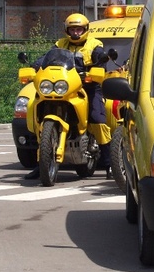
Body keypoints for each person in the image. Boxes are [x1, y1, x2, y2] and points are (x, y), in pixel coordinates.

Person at [24, 13, 112, 180]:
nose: (76, 33)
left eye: (79, 29)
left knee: (96, 118)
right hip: (63, 85)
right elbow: (46, 58)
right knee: (37, 117)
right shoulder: (60, 44)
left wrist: (100, 64)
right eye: (72, 29)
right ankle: (41, 164)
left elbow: (101, 58)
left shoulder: (94, 45)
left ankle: (109, 164)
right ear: (67, 30)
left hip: (88, 84)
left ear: (85, 29)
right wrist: (35, 65)